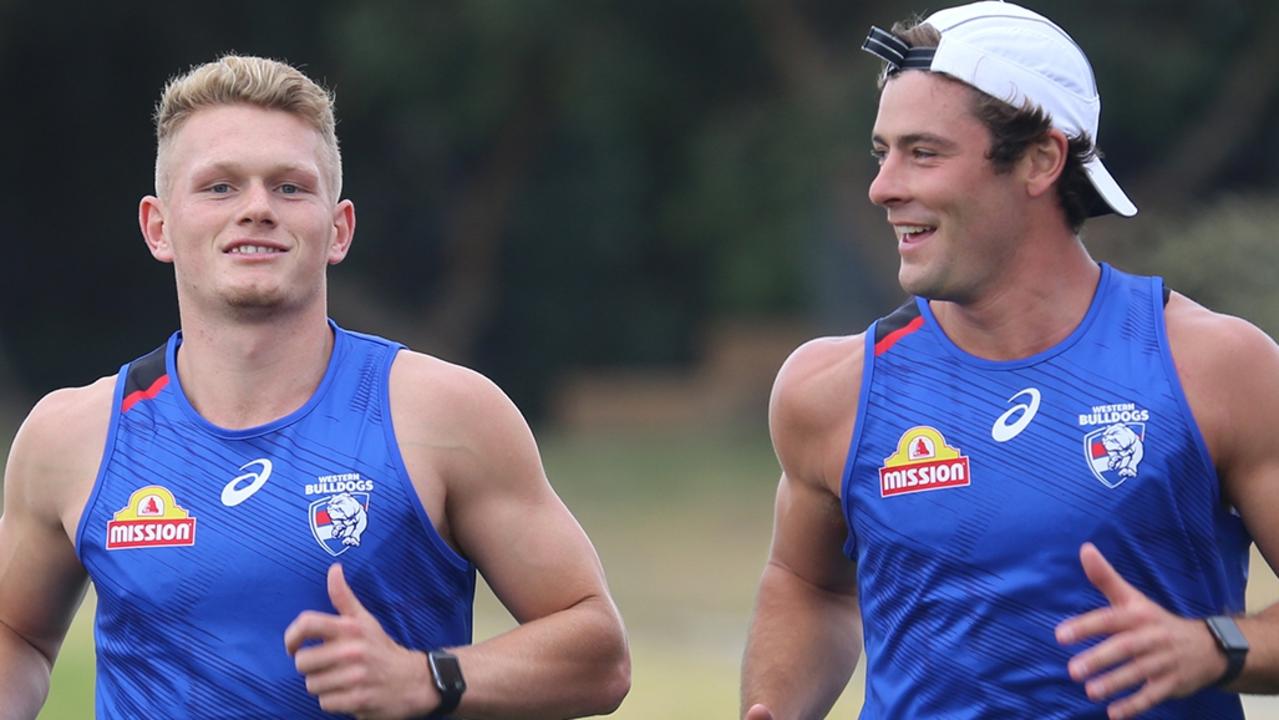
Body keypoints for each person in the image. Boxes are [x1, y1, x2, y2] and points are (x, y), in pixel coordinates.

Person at [0, 54, 629, 719]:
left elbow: (598, 652)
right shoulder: (74, 436)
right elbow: (16, 635)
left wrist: (427, 678)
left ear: (338, 229)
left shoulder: (443, 415)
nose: (257, 209)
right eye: (219, 186)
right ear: (158, 226)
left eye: (290, 187)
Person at [740, 2, 1279, 718]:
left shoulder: (1213, 366)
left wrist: (1214, 648)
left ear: (1040, 160)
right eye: (882, 152)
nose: (883, 186)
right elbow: (807, 586)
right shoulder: (831, 391)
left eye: (922, 152)